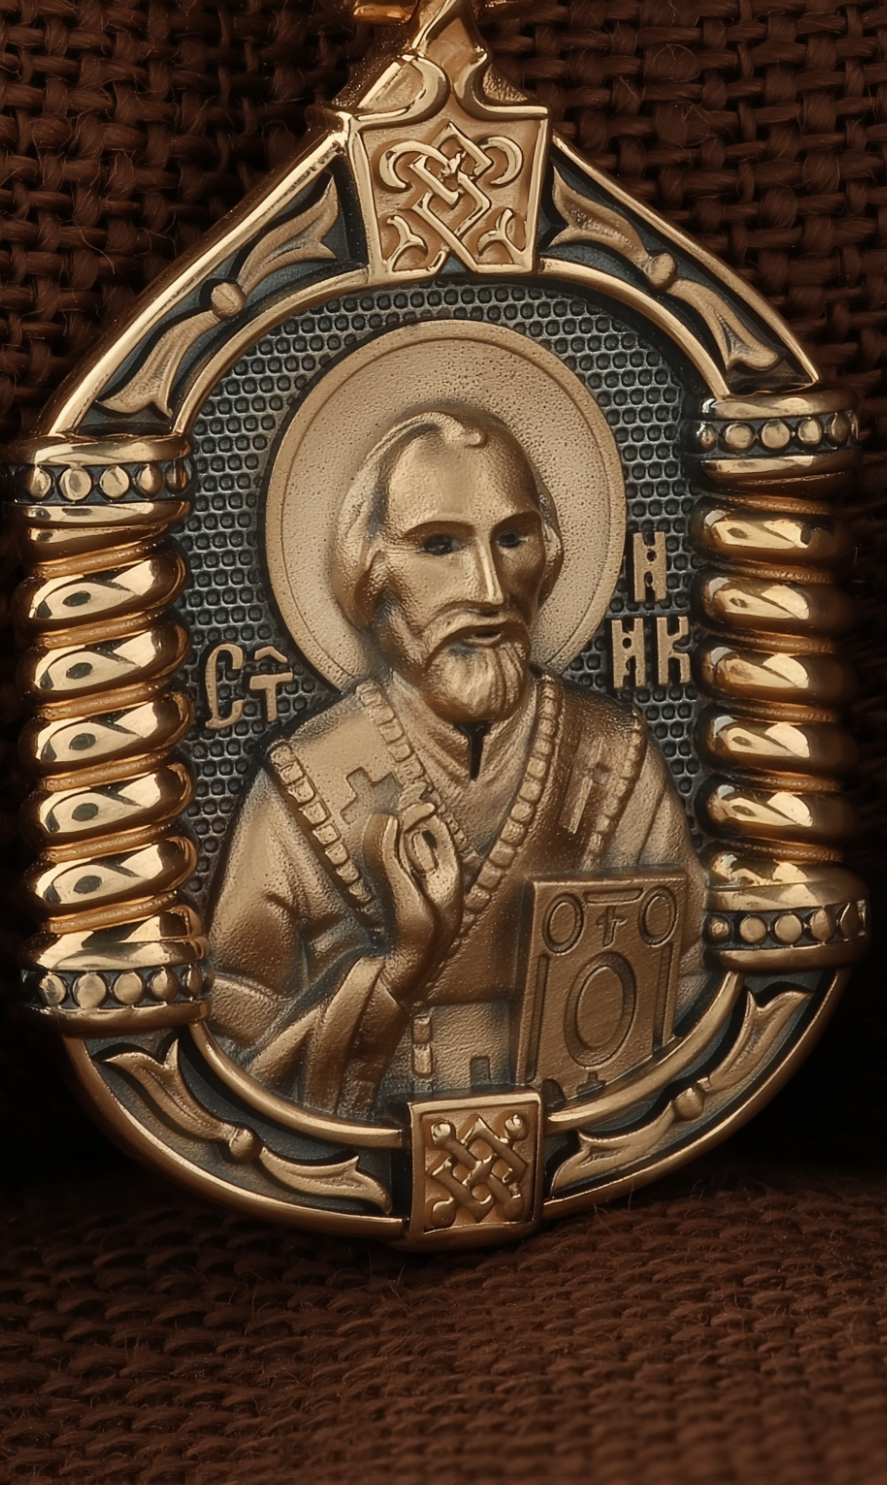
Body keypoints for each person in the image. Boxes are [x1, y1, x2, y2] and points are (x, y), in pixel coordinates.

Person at [208, 404, 705, 1115]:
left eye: (512, 539)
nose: (489, 589)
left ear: (548, 555)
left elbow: (689, 980)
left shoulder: (614, 759)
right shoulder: (300, 785)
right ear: (371, 568)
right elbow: (236, 1052)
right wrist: (399, 971)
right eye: (439, 544)